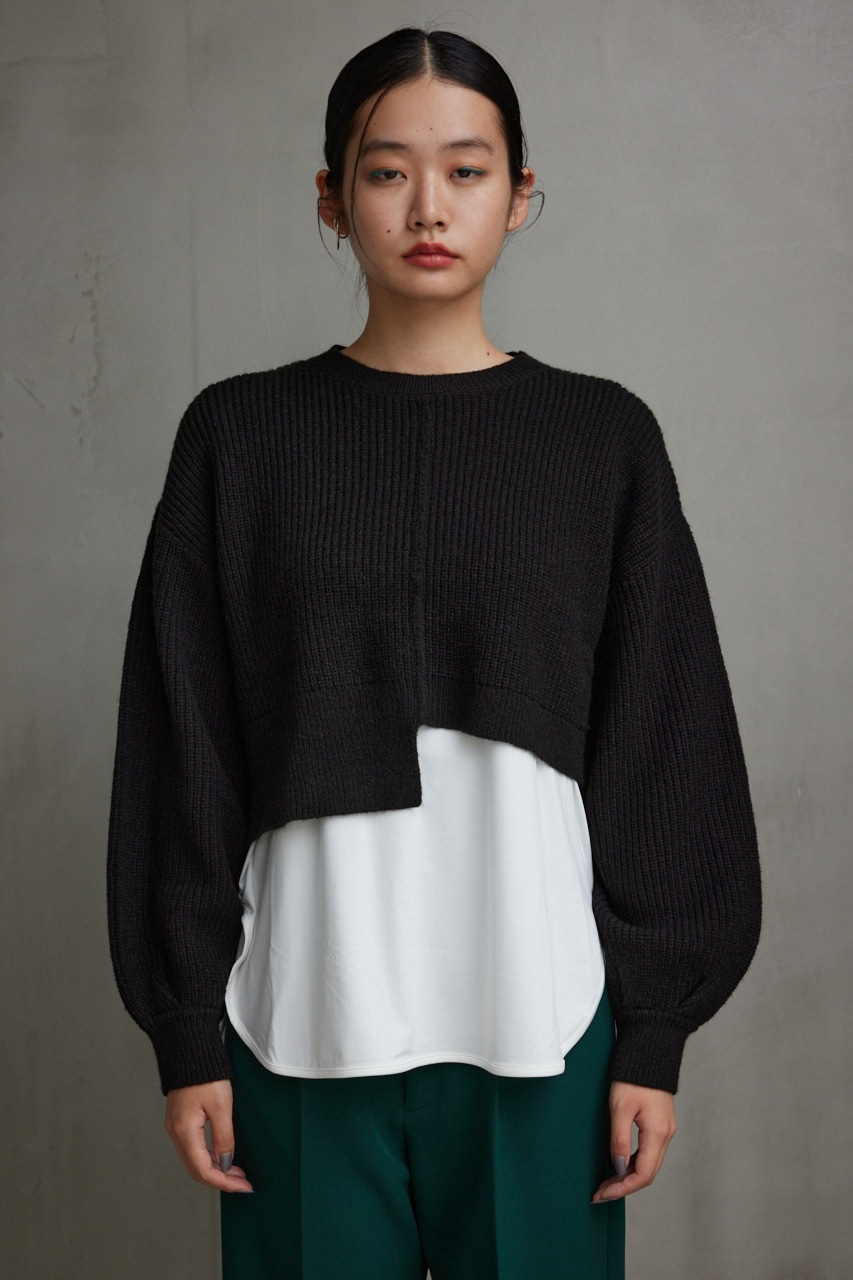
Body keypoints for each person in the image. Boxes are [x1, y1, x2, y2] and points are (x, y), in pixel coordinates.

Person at [106, 25, 762, 1280]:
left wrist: (653, 1030)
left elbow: (663, 735)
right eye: (385, 170)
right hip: (300, 1018)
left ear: (519, 194)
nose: (427, 206)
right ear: (331, 197)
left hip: (543, 1023)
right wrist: (185, 1024)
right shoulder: (239, 437)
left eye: (466, 170)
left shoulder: (600, 439)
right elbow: (181, 740)